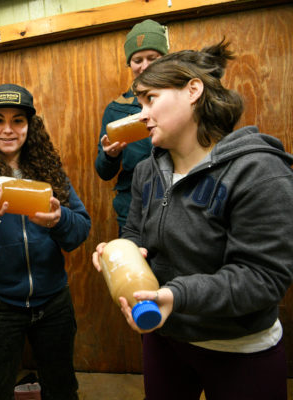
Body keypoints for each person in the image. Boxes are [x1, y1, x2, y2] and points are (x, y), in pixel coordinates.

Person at [92, 40, 293, 400]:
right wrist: (121, 253)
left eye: (150, 99)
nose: (141, 115)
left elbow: (263, 277)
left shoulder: (259, 171)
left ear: (193, 90)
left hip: (238, 348)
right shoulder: (146, 171)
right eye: (139, 103)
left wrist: (177, 295)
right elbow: (136, 232)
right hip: (165, 336)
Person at [0, 83, 91, 400]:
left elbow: (81, 230)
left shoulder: (48, 172)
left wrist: (58, 220)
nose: (8, 129)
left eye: (18, 120)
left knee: (62, 389)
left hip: (53, 302)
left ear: (30, 125)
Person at [94, 19, 169, 234]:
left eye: (152, 58)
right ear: (129, 64)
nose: (145, 66)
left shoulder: (179, 102)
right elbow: (103, 172)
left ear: (165, 59)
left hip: (175, 207)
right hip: (133, 213)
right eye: (137, 60)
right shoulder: (116, 109)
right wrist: (110, 156)